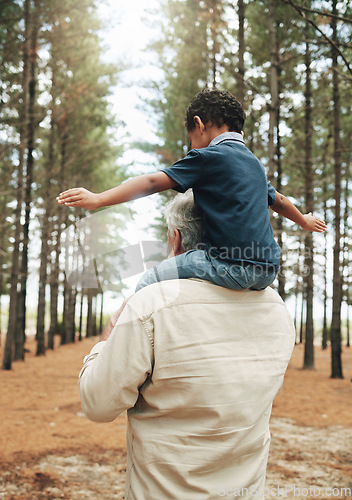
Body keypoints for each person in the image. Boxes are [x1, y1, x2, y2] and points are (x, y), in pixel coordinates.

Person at [79, 191, 296, 500]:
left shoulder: (152, 304)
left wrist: (105, 341)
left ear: (176, 238)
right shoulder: (276, 306)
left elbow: (98, 404)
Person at [57, 89, 326, 292]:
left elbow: (152, 182)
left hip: (231, 266)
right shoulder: (253, 164)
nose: (194, 148)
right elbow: (278, 200)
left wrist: (99, 198)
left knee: (149, 280)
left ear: (199, 124)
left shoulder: (209, 157)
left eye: (192, 141)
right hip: (268, 271)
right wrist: (304, 220)